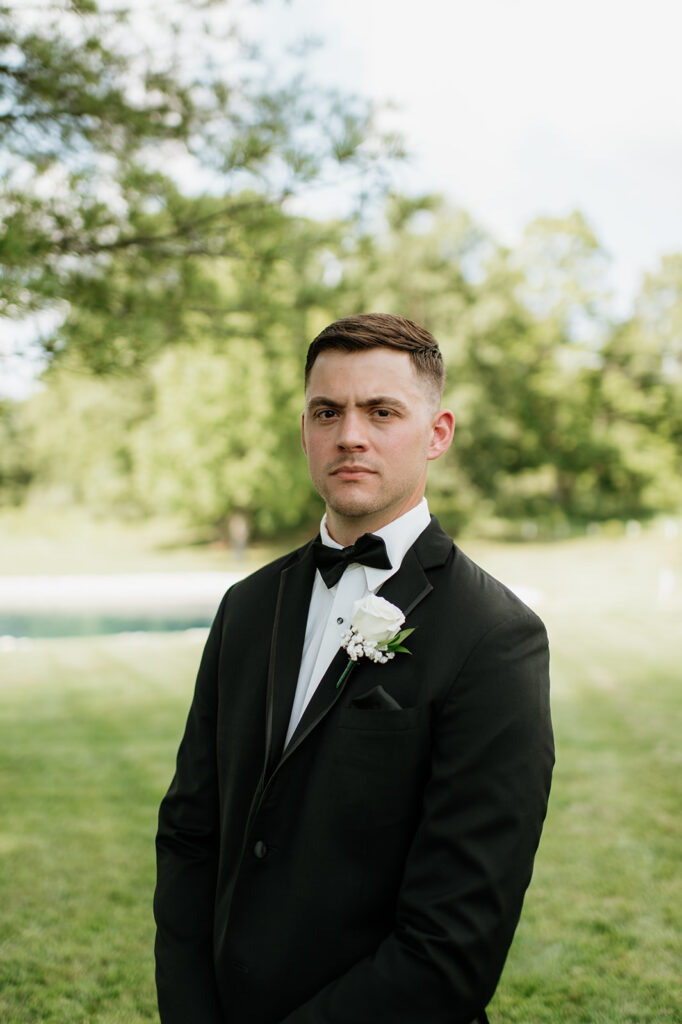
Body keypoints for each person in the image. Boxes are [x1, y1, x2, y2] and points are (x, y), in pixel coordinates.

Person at [154, 313, 554, 1024]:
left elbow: (453, 942)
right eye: (326, 411)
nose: (350, 435)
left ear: (437, 433)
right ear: (304, 430)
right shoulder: (247, 606)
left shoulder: (495, 637)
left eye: (382, 411)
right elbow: (190, 831)